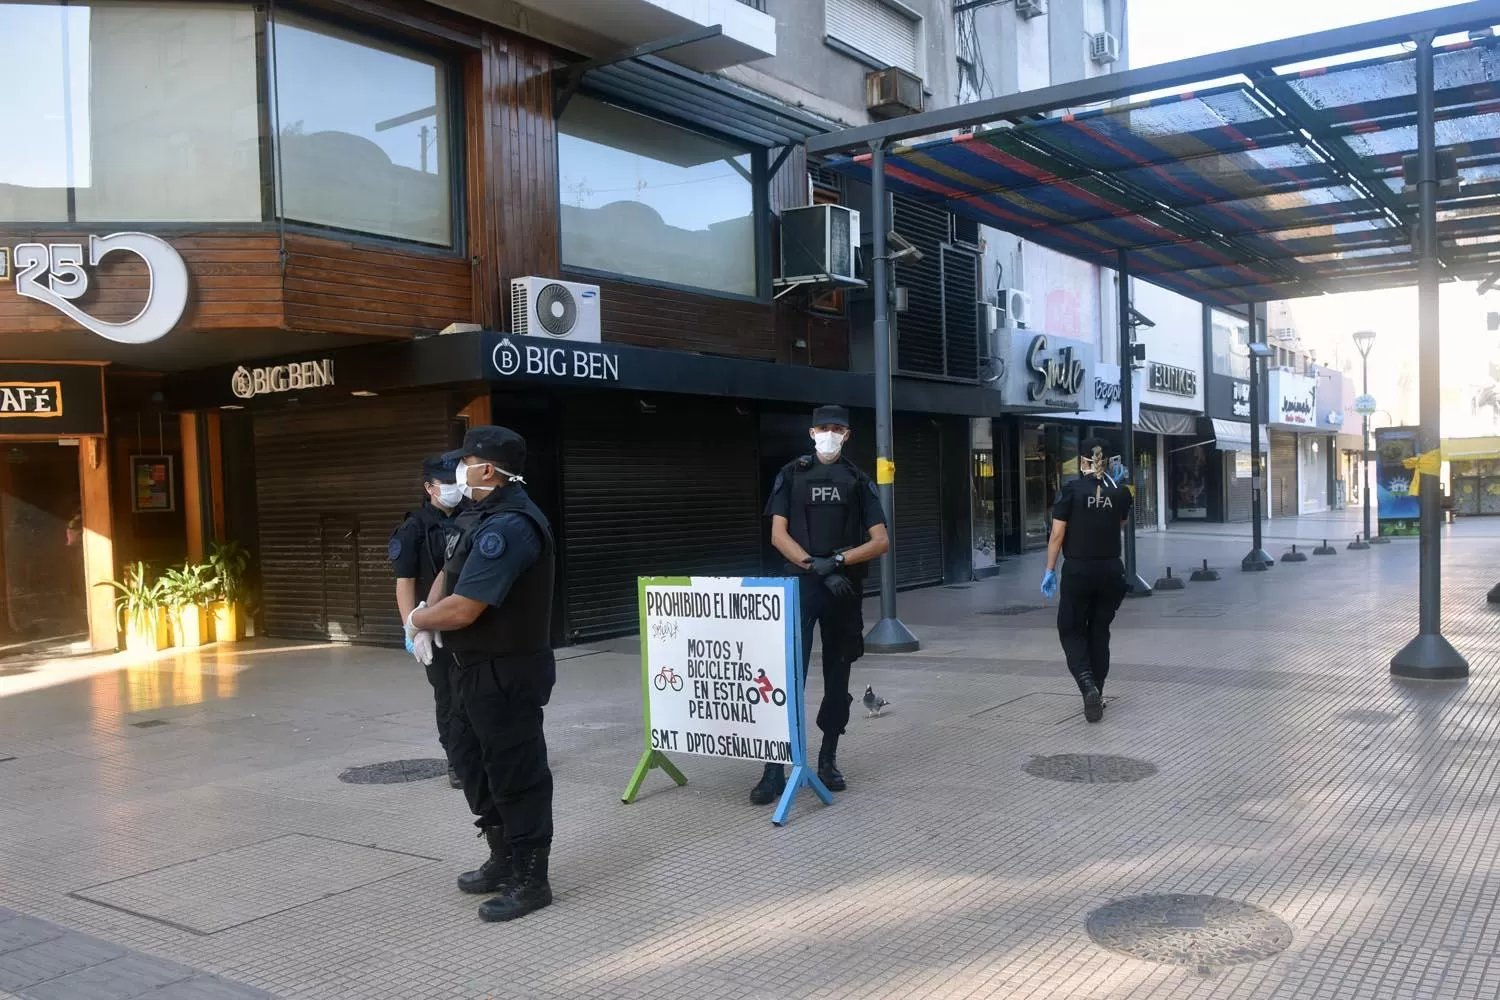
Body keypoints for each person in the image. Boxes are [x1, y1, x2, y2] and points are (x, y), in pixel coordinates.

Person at [406, 426, 557, 923]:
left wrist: (418, 621)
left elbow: (465, 608)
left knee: (516, 773)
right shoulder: (476, 517)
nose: (456, 474)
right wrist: (429, 612)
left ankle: (531, 877)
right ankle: (502, 855)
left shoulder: (510, 526)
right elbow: (447, 577)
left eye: (463, 463)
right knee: (472, 763)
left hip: (506, 669)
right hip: (467, 668)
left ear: (486, 469)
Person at [757, 404, 890, 804]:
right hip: (801, 586)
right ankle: (773, 769)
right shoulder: (790, 474)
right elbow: (777, 534)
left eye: (838, 428)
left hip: (843, 590)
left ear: (847, 435)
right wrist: (815, 566)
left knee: (838, 678)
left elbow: (880, 540)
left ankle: (828, 759)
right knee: (785, 679)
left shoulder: (857, 480)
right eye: (824, 428)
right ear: (812, 432)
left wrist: (838, 562)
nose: (830, 434)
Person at [1041, 436, 1131, 724]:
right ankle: (1098, 693)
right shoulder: (1121, 492)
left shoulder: (1070, 491)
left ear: (1082, 462)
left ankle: (1087, 685)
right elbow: (1122, 524)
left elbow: (1057, 535)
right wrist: (1114, 488)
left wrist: (1049, 570)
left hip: (1079, 571)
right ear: (1109, 462)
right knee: (1099, 631)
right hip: (1111, 572)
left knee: (1070, 630)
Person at [390, 455, 466, 789]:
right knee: (448, 694)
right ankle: (456, 760)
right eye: (446, 484)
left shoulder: (472, 518)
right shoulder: (414, 528)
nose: (453, 490)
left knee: (473, 692)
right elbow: (404, 581)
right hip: (433, 627)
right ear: (429, 488)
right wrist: (412, 627)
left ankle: (478, 754)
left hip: (468, 621)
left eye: (456, 484)